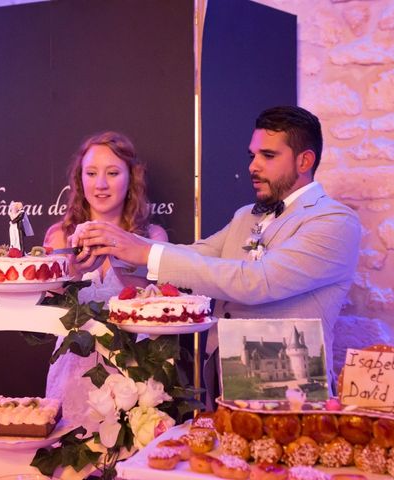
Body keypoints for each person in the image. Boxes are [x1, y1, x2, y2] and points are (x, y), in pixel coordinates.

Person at [72, 106, 362, 405]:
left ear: (305, 160)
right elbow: (195, 256)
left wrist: (143, 249)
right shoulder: (245, 216)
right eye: (253, 156)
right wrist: (115, 250)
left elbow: (257, 281)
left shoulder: (335, 221)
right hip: (223, 381)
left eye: (268, 156)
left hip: (290, 392)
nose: (253, 166)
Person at [44, 131, 167, 429]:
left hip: (133, 370)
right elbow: (45, 311)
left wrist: (124, 261)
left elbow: (162, 313)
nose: (100, 184)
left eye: (112, 173)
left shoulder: (152, 238)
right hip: (72, 370)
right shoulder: (59, 236)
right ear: (79, 178)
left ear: (131, 178)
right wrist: (69, 273)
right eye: (91, 173)